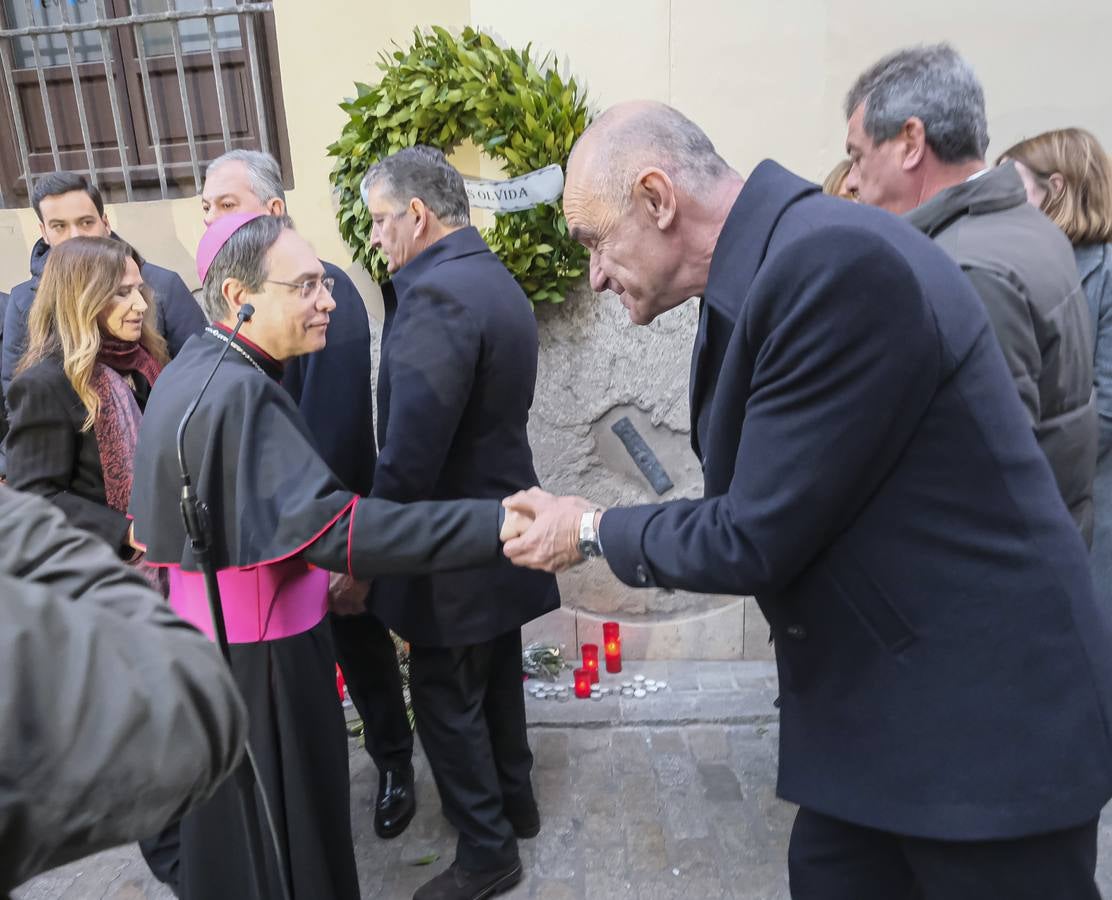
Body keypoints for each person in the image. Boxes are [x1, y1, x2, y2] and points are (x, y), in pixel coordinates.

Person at [501, 100, 1112, 899]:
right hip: (882, 722)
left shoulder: (831, 264)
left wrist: (586, 528)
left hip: (982, 741)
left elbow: (755, 531)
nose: (595, 273)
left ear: (657, 199)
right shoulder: (777, 263)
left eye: (594, 242)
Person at [128, 211, 524, 900]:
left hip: (217, 656)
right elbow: (337, 531)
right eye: (307, 285)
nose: (330, 301)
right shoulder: (242, 392)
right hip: (266, 669)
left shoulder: (195, 370)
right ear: (237, 297)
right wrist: (500, 526)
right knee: (294, 845)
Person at [362, 146, 559, 900]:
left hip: (449, 537)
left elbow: (410, 451)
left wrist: (372, 543)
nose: (377, 237)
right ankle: (515, 804)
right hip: (498, 517)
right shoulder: (491, 278)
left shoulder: (438, 295)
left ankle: (486, 853)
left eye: (382, 221)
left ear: (417, 215)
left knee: (445, 695)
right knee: (495, 673)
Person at [202, 150, 417, 837]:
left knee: (360, 647)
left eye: (226, 204)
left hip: (318, 527)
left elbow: (336, 433)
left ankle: (393, 764)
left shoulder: (323, 296)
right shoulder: (234, 294)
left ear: (271, 213)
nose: (211, 218)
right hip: (268, 536)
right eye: (207, 206)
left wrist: (343, 557)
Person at [843, 44, 1097, 540]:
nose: (851, 181)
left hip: (989, 583)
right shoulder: (1025, 223)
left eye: (857, 156)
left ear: (911, 142)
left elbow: (982, 474)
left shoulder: (962, 268)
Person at [0, 485, 246, 897]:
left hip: (142, 590)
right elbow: (190, 709)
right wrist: (121, 532)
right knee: (173, 837)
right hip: (123, 603)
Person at [997, 128, 1112, 606]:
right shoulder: (1027, 263)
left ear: (1056, 188)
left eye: (1011, 187)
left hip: (1092, 499)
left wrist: (1021, 465)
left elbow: (1106, 406)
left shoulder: (1105, 273)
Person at [5, 237, 164, 563]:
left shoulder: (144, 362)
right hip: (102, 575)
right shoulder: (44, 385)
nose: (141, 305)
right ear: (83, 299)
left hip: (168, 560)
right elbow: (35, 498)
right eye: (122, 292)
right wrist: (125, 530)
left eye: (139, 289)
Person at [2, 172, 203, 397]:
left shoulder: (162, 284)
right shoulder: (24, 300)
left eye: (86, 222)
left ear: (105, 223)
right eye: (60, 227)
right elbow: (15, 390)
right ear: (44, 233)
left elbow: (201, 368)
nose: (76, 236)